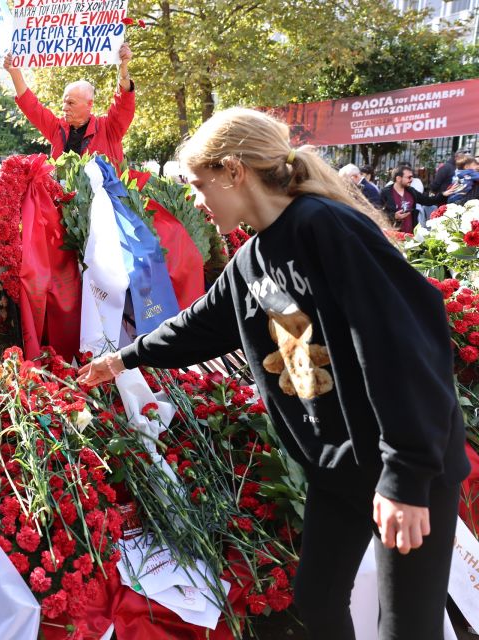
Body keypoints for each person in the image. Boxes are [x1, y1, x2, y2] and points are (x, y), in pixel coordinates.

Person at [77, 107, 469, 640]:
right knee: (319, 599)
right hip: (340, 467)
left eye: (198, 184)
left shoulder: (326, 228)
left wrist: (404, 476)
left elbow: (402, 344)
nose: (194, 199)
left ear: (234, 171)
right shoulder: (251, 258)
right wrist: (122, 359)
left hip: (399, 461)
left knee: (407, 626)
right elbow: (200, 326)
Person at [3, 43, 135, 167]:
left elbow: (124, 103)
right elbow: (32, 107)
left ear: (89, 104)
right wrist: (14, 72)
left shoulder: (108, 128)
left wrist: (123, 68)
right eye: (64, 102)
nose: (64, 107)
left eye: (71, 103)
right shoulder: (57, 128)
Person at [380, 165, 443, 234]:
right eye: (409, 177)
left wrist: (443, 194)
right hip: (393, 235)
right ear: (398, 178)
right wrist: (394, 216)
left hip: (410, 236)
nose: (412, 179)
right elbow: (378, 214)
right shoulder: (385, 193)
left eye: (412, 177)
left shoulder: (411, 191)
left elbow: (427, 201)